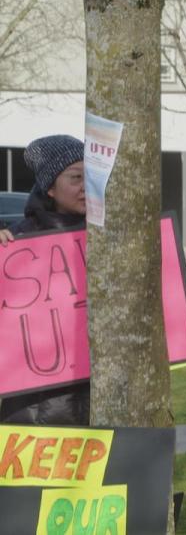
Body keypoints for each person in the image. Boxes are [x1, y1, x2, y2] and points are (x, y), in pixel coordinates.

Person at [0, 134, 88, 425]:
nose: (86, 187)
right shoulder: (17, 241)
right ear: (50, 187)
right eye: (76, 177)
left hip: (94, 402)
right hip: (30, 409)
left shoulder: (109, 239)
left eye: (91, 176)